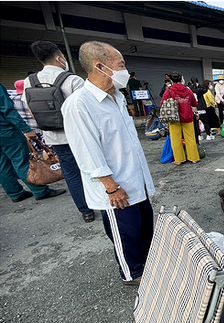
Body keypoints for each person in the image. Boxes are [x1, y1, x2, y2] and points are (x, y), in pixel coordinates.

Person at [61, 41, 155, 285]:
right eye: (121, 64)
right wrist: (111, 186)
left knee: (144, 228)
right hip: (115, 186)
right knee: (126, 233)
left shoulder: (116, 96)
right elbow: (86, 152)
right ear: (100, 66)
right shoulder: (79, 104)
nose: (125, 69)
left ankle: (146, 263)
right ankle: (131, 273)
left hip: (136, 179)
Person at [23, 40, 95, 223]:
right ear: (59, 57)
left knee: (70, 172)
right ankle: (100, 202)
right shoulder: (72, 80)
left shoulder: (29, 81)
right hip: (79, 135)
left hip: (54, 135)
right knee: (90, 168)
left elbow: (31, 111)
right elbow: (85, 109)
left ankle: (85, 211)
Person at [0, 84, 66, 202]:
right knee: (22, 161)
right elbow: (8, 110)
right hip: (6, 131)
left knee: (2, 164)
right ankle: (40, 191)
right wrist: (26, 129)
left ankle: (15, 192)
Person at [160, 71, 200, 165]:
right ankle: (194, 158)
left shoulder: (169, 90)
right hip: (188, 117)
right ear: (181, 79)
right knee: (190, 139)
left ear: (171, 80)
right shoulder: (188, 90)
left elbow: (162, 103)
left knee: (175, 139)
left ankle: (179, 159)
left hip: (174, 118)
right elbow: (194, 103)